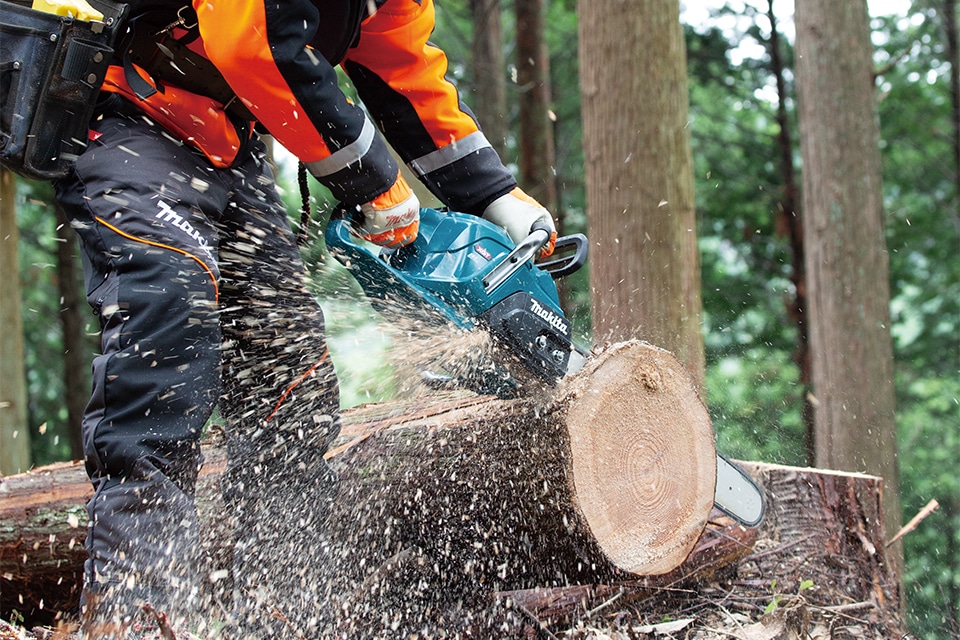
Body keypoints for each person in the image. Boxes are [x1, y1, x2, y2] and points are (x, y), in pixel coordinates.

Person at [53, 0, 557, 637]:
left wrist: (493, 194)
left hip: (229, 141)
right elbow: (254, 43)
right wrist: (374, 181)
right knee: (167, 321)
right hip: (132, 114)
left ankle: (285, 604)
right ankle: (137, 606)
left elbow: (405, 75)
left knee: (288, 372)